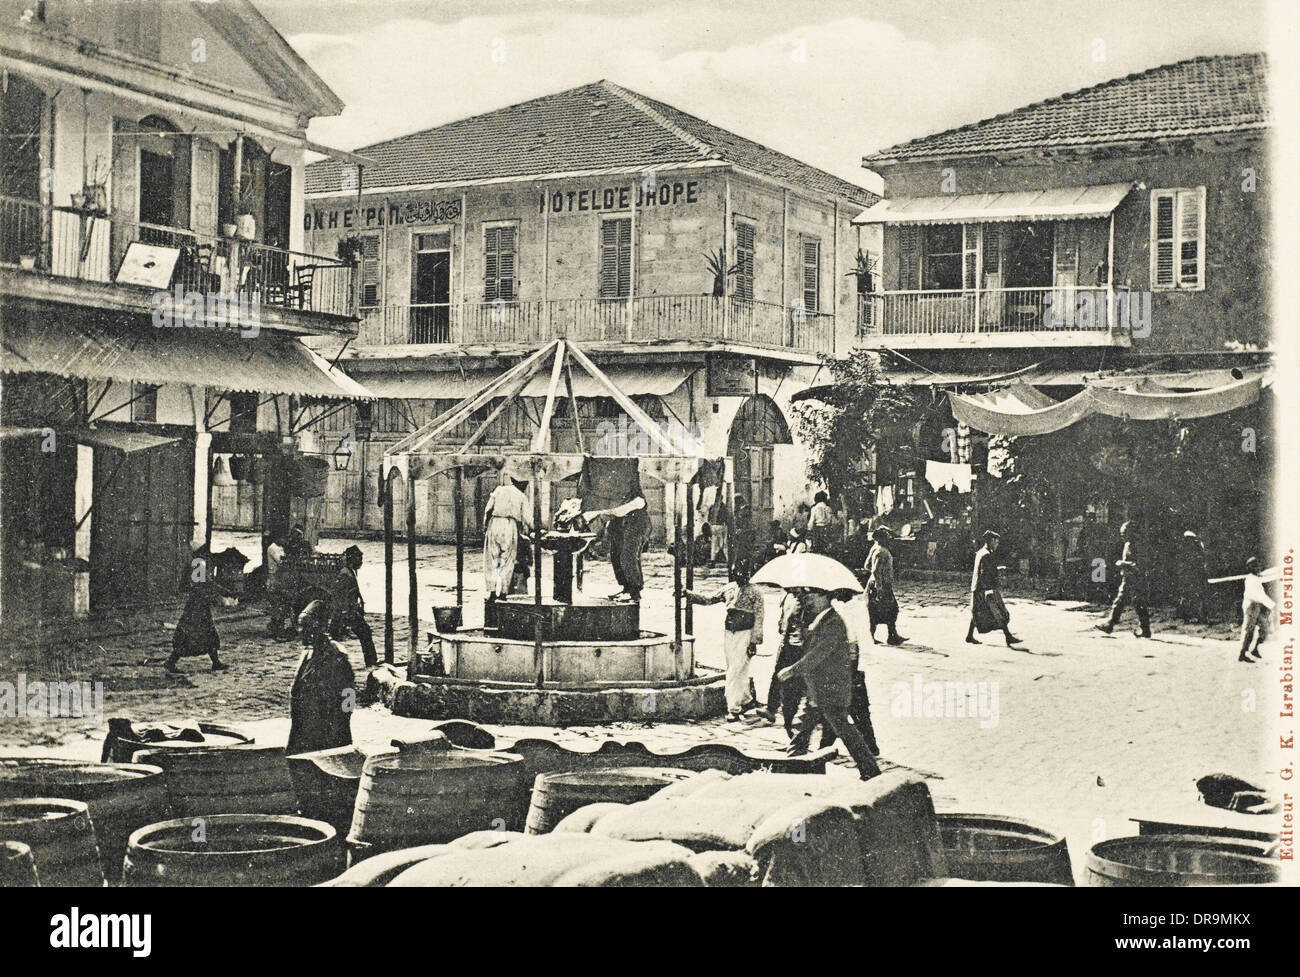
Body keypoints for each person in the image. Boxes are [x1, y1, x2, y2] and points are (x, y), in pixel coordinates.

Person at [778, 587, 881, 779]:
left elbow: (817, 654)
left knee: (844, 730)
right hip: (818, 688)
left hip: (830, 689)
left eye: (813, 596)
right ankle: (792, 764)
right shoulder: (820, 619)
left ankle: (870, 769)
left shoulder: (834, 622)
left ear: (825, 598)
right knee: (804, 727)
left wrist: (792, 670)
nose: (809, 599)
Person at [687, 559, 765, 721]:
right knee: (735, 667)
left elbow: (759, 618)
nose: (742, 575)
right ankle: (746, 700)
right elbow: (709, 599)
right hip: (729, 633)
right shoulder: (729, 588)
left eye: (745, 572)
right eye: (738, 572)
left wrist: (754, 642)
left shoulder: (756, 592)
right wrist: (688, 594)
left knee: (735, 670)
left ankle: (733, 708)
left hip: (746, 633)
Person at [286, 600, 355, 756]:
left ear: (320, 627)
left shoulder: (336, 656)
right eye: (300, 625)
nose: (301, 630)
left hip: (328, 732)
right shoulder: (307, 655)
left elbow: (349, 696)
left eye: (306, 626)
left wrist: (342, 725)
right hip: (304, 729)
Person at [583, 489, 649, 603]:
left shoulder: (631, 488)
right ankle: (626, 588)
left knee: (628, 555)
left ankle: (634, 592)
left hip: (635, 519)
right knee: (615, 555)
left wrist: (602, 511)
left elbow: (638, 503)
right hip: (618, 520)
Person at [758, 588, 806, 733]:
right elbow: (783, 619)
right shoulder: (786, 596)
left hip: (800, 646)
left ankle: (802, 714)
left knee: (798, 680)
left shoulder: (803, 599)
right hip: (787, 642)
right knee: (777, 675)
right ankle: (771, 708)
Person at [1095, 520, 1151, 638]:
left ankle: (1145, 629)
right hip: (1128, 578)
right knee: (1120, 602)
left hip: (1137, 579)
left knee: (1138, 604)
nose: (1122, 535)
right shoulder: (1127, 545)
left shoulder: (1138, 545)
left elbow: (1139, 565)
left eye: (1124, 532)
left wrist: (1123, 563)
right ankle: (1110, 625)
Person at [482, 474, 532, 601]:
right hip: (510, 525)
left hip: (495, 523)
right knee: (508, 560)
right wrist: (537, 529)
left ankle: (492, 593)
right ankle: (504, 593)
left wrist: (485, 527)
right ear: (524, 485)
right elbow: (529, 519)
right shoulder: (522, 496)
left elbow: (488, 510)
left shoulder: (499, 489)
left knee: (492, 559)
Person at [966, 530, 1020, 646]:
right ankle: (1008, 637)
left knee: (977, 612)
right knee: (998, 612)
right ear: (990, 541)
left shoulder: (981, 552)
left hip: (978, 587)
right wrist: (988, 590)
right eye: (996, 542)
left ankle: (969, 636)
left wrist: (997, 569)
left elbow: (987, 570)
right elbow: (984, 572)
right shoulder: (986, 554)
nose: (997, 545)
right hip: (984, 589)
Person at [330, 544, 377, 667]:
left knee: (334, 639)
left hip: (346, 612)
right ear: (352, 559)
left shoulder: (349, 571)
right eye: (359, 558)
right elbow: (342, 595)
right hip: (347, 612)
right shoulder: (346, 574)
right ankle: (371, 663)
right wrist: (347, 612)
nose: (361, 561)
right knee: (365, 633)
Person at [165, 583, 228, 672]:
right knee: (192, 635)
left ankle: (216, 662)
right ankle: (170, 662)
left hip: (198, 605)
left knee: (207, 634)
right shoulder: (199, 569)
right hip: (197, 607)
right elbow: (205, 583)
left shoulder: (197, 569)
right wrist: (226, 592)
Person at [865, 526, 905, 645]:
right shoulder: (882, 551)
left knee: (874, 611)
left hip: (874, 583)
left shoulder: (875, 548)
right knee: (892, 610)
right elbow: (876, 570)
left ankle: (873, 636)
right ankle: (892, 636)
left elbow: (867, 565)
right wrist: (880, 586)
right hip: (881, 585)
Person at [1239, 557, 1273, 663]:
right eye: (1254, 566)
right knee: (1249, 630)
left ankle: (1255, 649)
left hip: (1257, 606)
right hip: (1251, 606)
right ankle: (1242, 654)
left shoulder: (1256, 578)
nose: (1257, 567)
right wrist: (1272, 605)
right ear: (1250, 567)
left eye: (1258, 565)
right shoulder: (1250, 579)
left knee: (1265, 628)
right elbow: (1258, 596)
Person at [1177, 530, 1212, 624]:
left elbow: (1201, 561)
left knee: (1197, 596)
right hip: (1191, 576)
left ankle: (1200, 617)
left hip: (1195, 575)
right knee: (1190, 596)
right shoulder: (1194, 547)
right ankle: (1189, 617)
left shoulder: (1196, 547)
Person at [706, 492, 732, 567]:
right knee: (724, 544)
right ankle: (728, 562)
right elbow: (727, 518)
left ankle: (713, 561)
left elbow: (709, 519)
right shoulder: (724, 506)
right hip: (721, 526)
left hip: (714, 526)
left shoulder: (712, 507)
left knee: (714, 545)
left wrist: (711, 526)